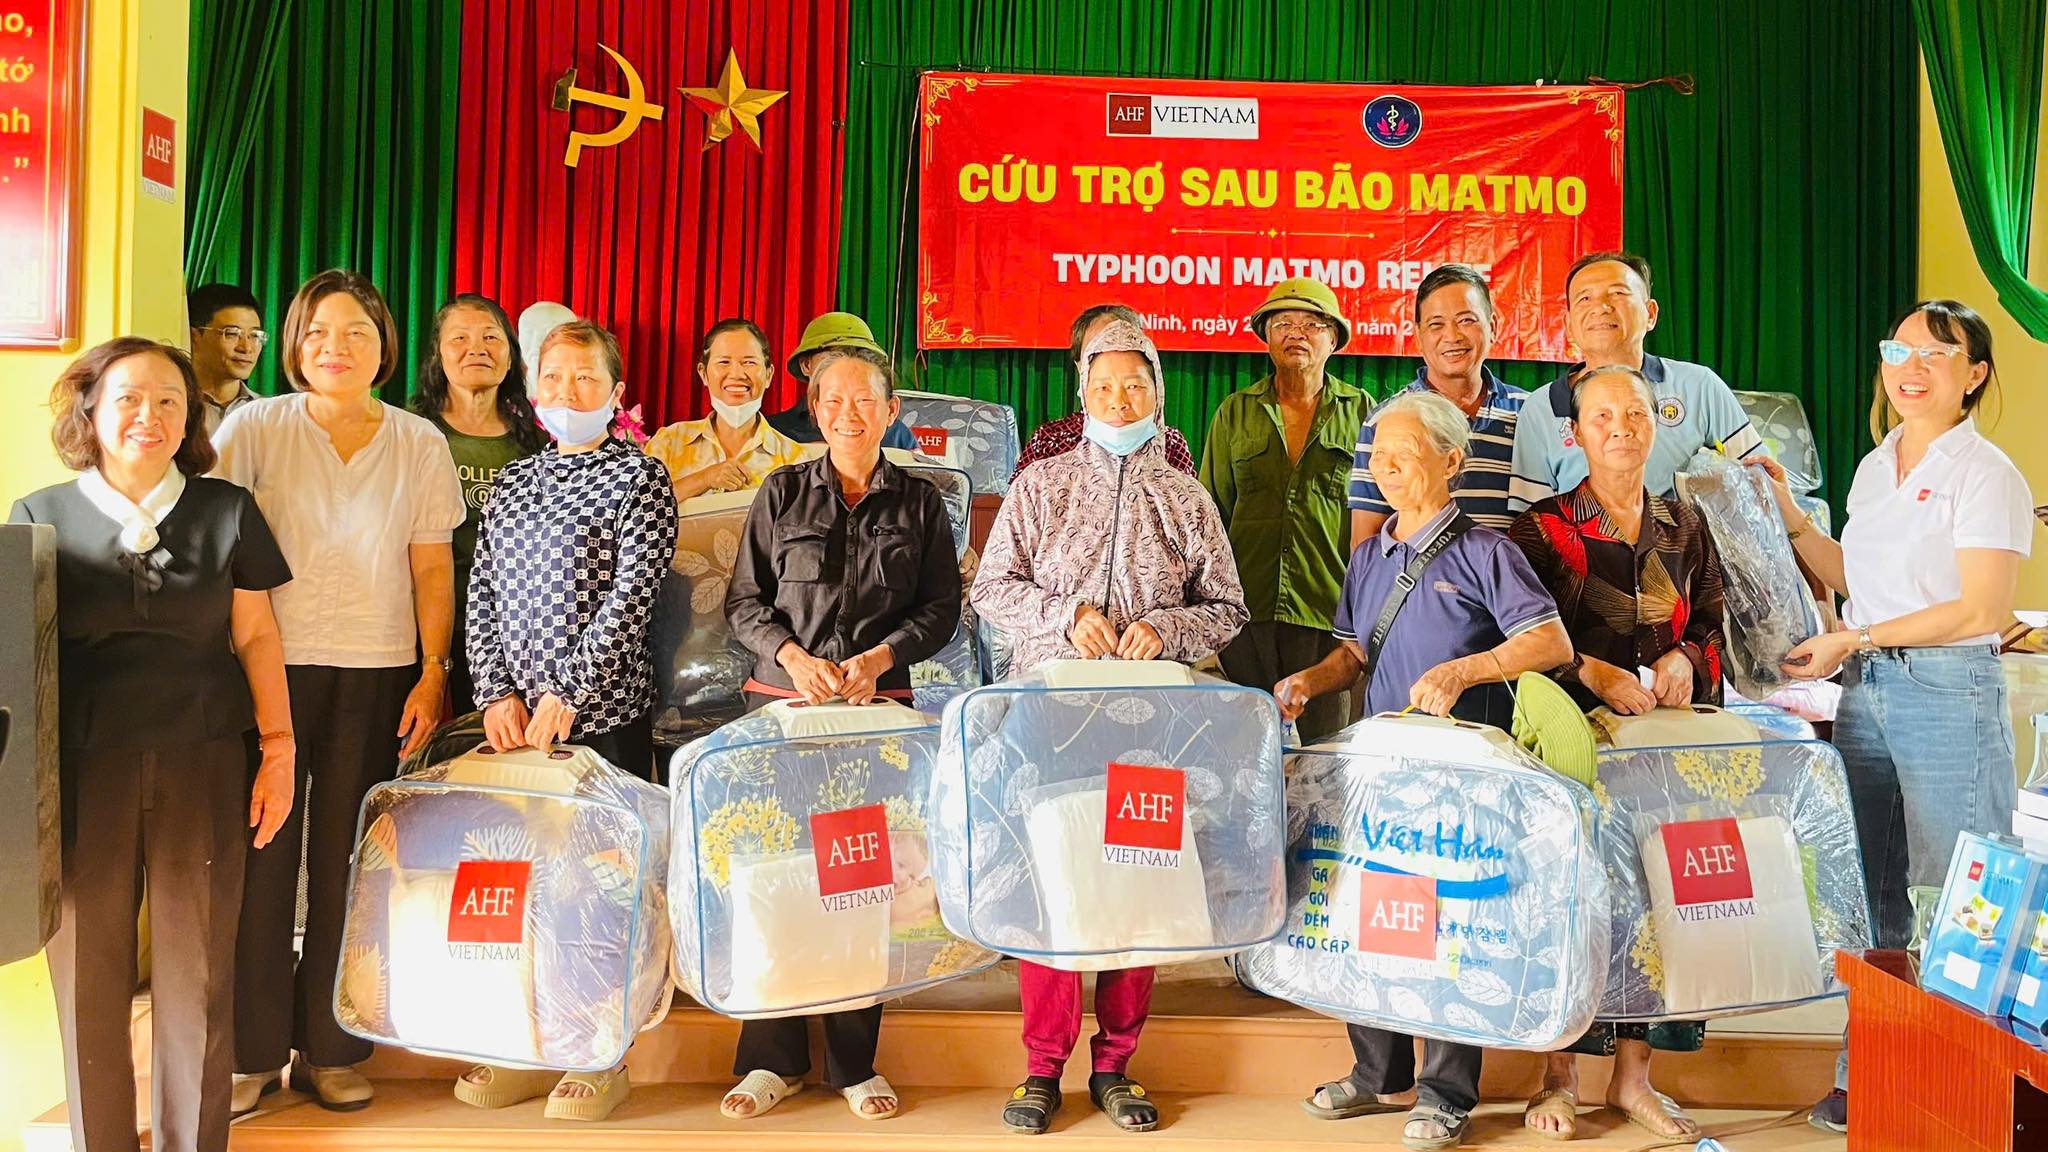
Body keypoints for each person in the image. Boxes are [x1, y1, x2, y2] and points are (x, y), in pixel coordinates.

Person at [9, 339, 295, 1152]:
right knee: (86, 976)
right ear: (90, 411)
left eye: (170, 400)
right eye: (129, 398)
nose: (151, 415)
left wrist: (278, 750)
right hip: (76, 772)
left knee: (198, 975)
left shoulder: (227, 510)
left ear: (191, 417)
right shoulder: (38, 515)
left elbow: (256, 635)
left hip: (203, 762)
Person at [1755, 301, 2031, 1135]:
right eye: (1898, 350)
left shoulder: (1986, 474)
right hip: (1868, 691)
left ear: (1974, 374)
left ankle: (1970, 1088)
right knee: (1870, 895)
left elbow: (1981, 610)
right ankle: (1869, 1073)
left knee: (1961, 898)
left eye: (1936, 354)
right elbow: (1861, 580)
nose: (1911, 367)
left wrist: (1853, 637)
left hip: (1948, 693)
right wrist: (1792, 520)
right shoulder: (1877, 467)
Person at [972, 320, 1248, 1135]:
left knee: (1138, 881)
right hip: (1049, 722)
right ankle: (1041, 1067)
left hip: (1149, 730)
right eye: (1104, 385)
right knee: (1052, 884)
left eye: (1135, 384)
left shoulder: (1186, 497)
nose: (1119, 399)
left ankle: (1116, 1065)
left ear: (1158, 394)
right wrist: (1067, 617)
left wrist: (1167, 627)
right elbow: (991, 588)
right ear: (1083, 394)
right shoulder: (1042, 485)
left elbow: (1227, 607)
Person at [1276, 391, 1570, 1151]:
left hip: (1461, 782)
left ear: (1451, 460)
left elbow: (1549, 643)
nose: (1387, 467)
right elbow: (1355, 653)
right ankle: (1378, 1074)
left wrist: (1465, 670)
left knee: (1448, 930)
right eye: (1377, 456)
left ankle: (1445, 1095)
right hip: (1381, 773)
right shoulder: (1368, 557)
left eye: (1402, 453)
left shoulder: (1487, 552)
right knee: (1370, 916)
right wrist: (1311, 680)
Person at [215, 270, 465, 1114]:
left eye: (356, 331)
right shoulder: (255, 429)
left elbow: (432, 567)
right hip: (268, 669)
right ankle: (251, 1052)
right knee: (262, 857)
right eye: (319, 331)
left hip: (378, 668)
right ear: (295, 344)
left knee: (350, 861)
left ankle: (331, 1047)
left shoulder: (418, 442)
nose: (337, 347)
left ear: (383, 346)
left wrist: (433, 669)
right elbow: (218, 550)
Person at [719, 346, 963, 1122]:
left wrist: (882, 659)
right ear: (815, 411)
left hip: (874, 718)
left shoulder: (921, 502)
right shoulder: (782, 492)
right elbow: (744, 603)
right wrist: (792, 658)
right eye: (833, 401)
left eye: (865, 401)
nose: (848, 414)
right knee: (775, 874)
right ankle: (773, 1060)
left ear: (892, 412)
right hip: (782, 713)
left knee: (861, 879)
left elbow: (941, 609)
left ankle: (854, 1062)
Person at [450, 319, 679, 1121]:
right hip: (514, 724)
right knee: (518, 883)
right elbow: (481, 590)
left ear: (616, 393)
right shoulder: (516, 480)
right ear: (533, 389)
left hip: (602, 715)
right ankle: (524, 1044)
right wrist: (494, 692)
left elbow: (632, 597)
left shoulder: (639, 477)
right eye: (554, 377)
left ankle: (599, 1052)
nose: (568, 391)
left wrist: (571, 692)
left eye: (586, 378)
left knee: (597, 890)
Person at [1507, 365, 1729, 1142]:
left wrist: (1686, 659)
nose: (1621, 428)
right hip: (1575, 748)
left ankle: (1635, 1081)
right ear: (1575, 434)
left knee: (1660, 902)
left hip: (1662, 750)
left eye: (1635, 413)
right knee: (1571, 902)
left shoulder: (1686, 524)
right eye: (1602, 416)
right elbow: (1515, 636)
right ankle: (1559, 1075)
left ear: (1656, 423)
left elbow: (1713, 622)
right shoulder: (1541, 529)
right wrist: (1588, 671)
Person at [1201, 277, 1369, 741]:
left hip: (1328, 619)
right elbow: (1210, 518)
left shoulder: (1363, 412)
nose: (1296, 333)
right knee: (1240, 750)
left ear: (1334, 339)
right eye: (1283, 323)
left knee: (1323, 759)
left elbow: (1377, 521)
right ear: (1267, 337)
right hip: (1245, 616)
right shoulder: (1235, 412)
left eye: (1312, 324)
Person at [1508, 252, 1764, 512]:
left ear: (1650, 313)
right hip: (1578, 539)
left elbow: (1761, 482)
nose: (1601, 307)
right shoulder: (1540, 408)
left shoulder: (1700, 386)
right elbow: (1530, 518)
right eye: (1585, 298)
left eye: (1617, 293)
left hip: (1689, 537)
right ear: (1569, 324)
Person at [412, 293, 548, 712]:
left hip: (506, 632)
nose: (477, 349)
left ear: (511, 357)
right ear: (438, 355)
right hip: (418, 626)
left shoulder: (536, 445)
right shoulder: (412, 433)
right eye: (460, 338)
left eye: (491, 337)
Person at [1351, 264, 1528, 542]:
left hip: (1511, 570)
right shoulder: (1385, 420)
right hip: (1414, 572)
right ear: (1419, 336)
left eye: (1466, 320)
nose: (1452, 336)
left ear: (1492, 327)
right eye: (1436, 324)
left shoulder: (1529, 413)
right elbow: (1366, 540)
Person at [646, 318, 819, 504]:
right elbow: (638, 507)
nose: (736, 374)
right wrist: (704, 479)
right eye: (724, 362)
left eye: (749, 362)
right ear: (703, 373)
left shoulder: (794, 458)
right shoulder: (669, 443)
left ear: (769, 375)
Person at [1014, 303, 1197, 477]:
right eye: (1096, 353)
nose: (1118, 402)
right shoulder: (1048, 440)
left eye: (1120, 346)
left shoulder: (1170, 444)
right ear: (1080, 367)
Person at [763, 311, 918, 450]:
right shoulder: (773, 431)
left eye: (859, 355)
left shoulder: (896, 434)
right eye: (833, 357)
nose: (846, 364)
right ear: (806, 365)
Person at [187, 282, 266, 432]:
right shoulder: (175, 406)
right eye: (232, 334)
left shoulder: (266, 412)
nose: (246, 348)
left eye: (255, 335)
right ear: (194, 337)